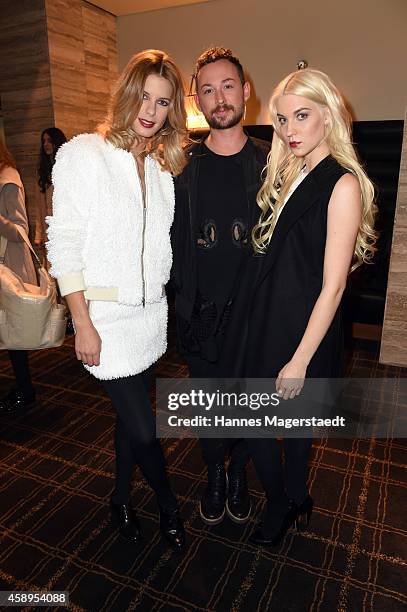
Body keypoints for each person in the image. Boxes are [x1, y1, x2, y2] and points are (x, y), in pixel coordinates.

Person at [46, 49, 188, 549]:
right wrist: (81, 322)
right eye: (144, 96)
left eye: (163, 102)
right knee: (146, 431)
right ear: (127, 94)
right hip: (104, 318)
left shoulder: (161, 169)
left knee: (130, 423)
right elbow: (63, 243)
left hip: (150, 318)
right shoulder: (85, 154)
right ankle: (169, 505)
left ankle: (120, 500)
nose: (150, 110)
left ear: (172, 110)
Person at [238, 68, 377, 546]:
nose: (289, 130)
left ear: (328, 116)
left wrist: (299, 359)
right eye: (281, 119)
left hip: (304, 330)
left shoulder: (342, 184)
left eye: (301, 116)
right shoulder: (288, 171)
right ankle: (293, 496)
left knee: (278, 426)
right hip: (268, 319)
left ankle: (284, 500)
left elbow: (334, 286)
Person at [172, 47, 270, 526]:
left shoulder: (273, 164)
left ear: (246, 92)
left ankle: (239, 474)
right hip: (201, 313)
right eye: (207, 89)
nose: (219, 97)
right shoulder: (182, 168)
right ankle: (214, 471)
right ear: (197, 99)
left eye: (227, 85)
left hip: (255, 313)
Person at [0, 140, 37, 412]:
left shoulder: (8, 179)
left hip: (9, 267)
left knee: (13, 335)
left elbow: (20, 229)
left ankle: (25, 389)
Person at [34, 128, 67, 252]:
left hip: (64, 225)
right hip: (48, 226)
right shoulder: (42, 171)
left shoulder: (66, 166)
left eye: (49, 140)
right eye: (44, 141)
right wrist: (38, 234)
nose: (46, 144)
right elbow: (38, 205)